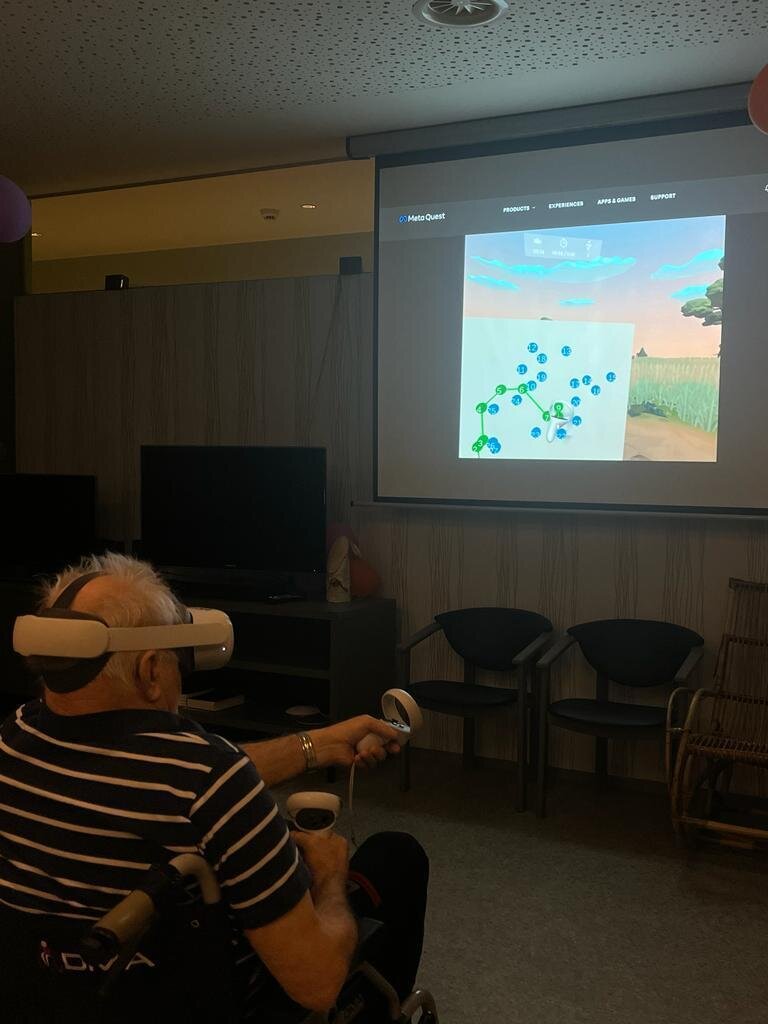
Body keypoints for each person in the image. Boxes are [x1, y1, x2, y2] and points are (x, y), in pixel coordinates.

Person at [0, 553, 428, 1018]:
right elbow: (317, 983)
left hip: (54, 999)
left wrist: (317, 745)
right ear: (149, 671)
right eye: (176, 664)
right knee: (396, 856)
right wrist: (328, 877)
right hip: (225, 1003)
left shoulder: (14, 737)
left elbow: (174, 777)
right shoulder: (211, 780)